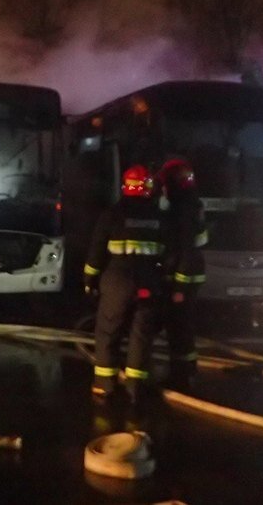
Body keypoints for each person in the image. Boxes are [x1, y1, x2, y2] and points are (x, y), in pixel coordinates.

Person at [83, 164, 167, 405]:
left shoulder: (112, 214)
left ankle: (105, 385)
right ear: (148, 187)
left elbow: (96, 252)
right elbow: (169, 254)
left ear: (125, 186)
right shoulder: (159, 217)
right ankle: (135, 388)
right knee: (141, 335)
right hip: (148, 282)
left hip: (117, 282)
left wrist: (89, 280)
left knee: (108, 331)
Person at [157, 157, 208, 391]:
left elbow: (185, 248)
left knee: (179, 328)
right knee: (181, 326)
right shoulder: (192, 204)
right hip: (190, 273)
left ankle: (181, 376)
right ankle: (186, 371)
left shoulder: (182, 209)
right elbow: (198, 242)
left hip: (183, 276)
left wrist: (179, 286)